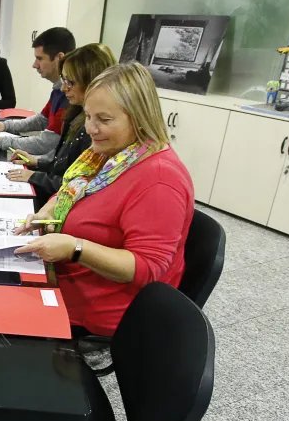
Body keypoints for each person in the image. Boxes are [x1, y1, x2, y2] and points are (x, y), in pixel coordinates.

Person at [15, 62, 194, 337]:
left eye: (104, 119)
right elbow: (72, 191)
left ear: (140, 117)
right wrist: (49, 210)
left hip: (100, 306)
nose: (91, 128)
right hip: (71, 277)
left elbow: (147, 268)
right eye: (87, 116)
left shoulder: (159, 180)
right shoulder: (110, 155)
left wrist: (75, 248)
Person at [6, 44, 115, 201]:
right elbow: (65, 167)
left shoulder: (93, 130)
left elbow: (78, 186)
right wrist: (37, 162)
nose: (64, 88)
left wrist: (34, 176)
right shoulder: (75, 113)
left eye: (70, 82)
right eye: (63, 80)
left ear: (91, 82)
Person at [0, 27, 75, 154]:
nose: (34, 65)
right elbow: (42, 120)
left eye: (40, 58)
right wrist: (6, 126)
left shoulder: (70, 95)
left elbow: (46, 143)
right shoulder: (57, 90)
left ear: (59, 58)